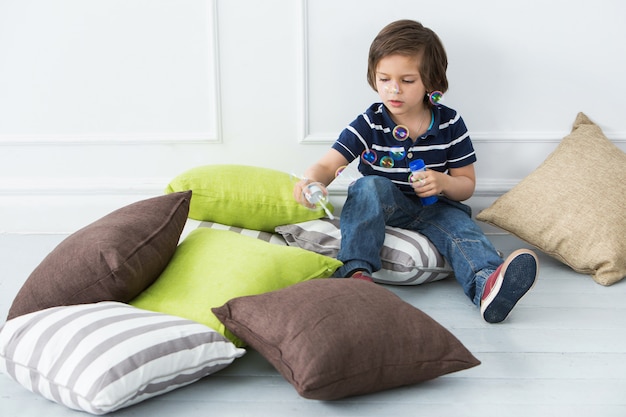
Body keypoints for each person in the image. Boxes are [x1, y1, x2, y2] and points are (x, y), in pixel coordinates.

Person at [293, 19, 538, 324]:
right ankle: (356, 274)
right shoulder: (370, 123)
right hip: (386, 206)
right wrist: (311, 180)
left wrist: (443, 181)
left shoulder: (449, 123)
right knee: (367, 186)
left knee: (463, 232)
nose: (393, 89)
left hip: (436, 209)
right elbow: (329, 164)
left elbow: (466, 185)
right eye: (384, 79)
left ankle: (487, 286)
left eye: (407, 80)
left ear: (430, 83)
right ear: (374, 77)